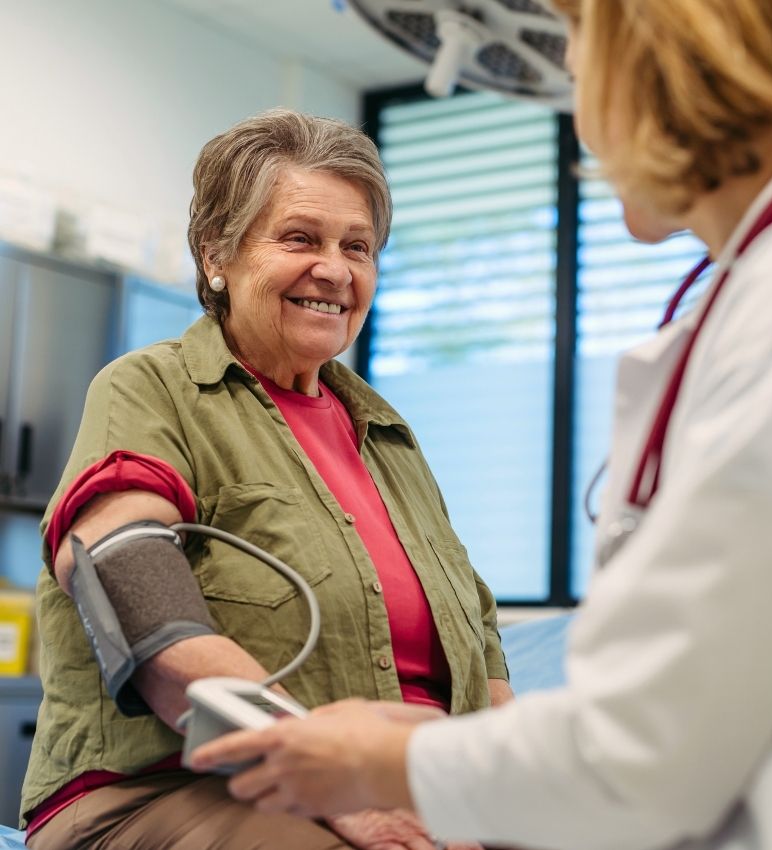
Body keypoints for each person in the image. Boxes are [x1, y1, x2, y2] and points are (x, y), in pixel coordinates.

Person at [191, 1, 772, 849]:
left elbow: (650, 750)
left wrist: (390, 762)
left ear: (671, 69)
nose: (584, 122)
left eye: (584, 73)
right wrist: (421, 748)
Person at [21, 108, 511, 850]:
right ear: (217, 254)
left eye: (359, 246)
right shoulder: (151, 390)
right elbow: (136, 597)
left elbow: (483, 657)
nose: (336, 270)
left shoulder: (389, 439)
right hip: (173, 788)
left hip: (410, 790)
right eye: (300, 239)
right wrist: (335, 781)